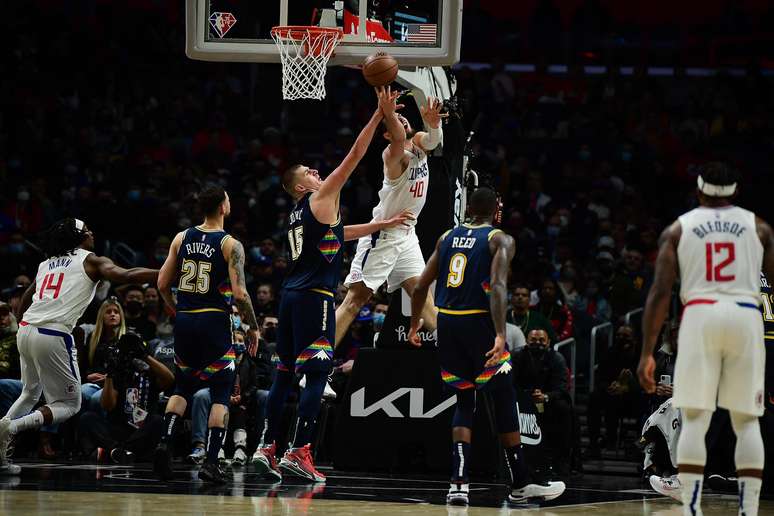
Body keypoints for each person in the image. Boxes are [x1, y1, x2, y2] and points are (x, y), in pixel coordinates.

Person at [252, 88, 412, 483]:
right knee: (319, 373)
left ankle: (266, 447)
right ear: (301, 187)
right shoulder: (321, 196)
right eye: (309, 172)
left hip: (290, 298)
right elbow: (354, 158)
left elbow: (338, 235)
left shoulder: (299, 213)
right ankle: (299, 451)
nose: (317, 173)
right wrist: (379, 115)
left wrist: (383, 225)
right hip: (314, 299)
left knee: (284, 374)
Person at [408, 187, 565, 506]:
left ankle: (458, 484)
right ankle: (521, 483)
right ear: (496, 209)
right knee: (504, 397)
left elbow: (421, 285)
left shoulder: (446, 237)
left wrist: (415, 322)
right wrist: (499, 333)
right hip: (479, 323)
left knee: (464, 402)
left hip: (447, 323)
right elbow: (497, 286)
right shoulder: (500, 239)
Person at [637, 163, 774, 516]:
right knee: (747, 420)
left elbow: (660, 292)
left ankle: (686, 484)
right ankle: (751, 499)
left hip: (704, 317)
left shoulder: (680, 229)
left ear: (699, 191)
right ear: (735, 192)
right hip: (748, 323)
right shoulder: (759, 229)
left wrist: (647, 353)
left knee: (697, 416)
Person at [0, 217, 158, 475]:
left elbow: (26, 299)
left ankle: (3, 443)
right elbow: (126, 274)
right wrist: (166, 273)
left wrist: (32, 322)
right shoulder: (90, 259)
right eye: (87, 230)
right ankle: (11, 427)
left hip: (26, 329)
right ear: (78, 237)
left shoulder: (46, 264)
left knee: (29, 393)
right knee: (69, 405)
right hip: (53, 332)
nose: (92, 232)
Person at [153, 185, 260, 484]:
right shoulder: (230, 244)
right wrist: (252, 326)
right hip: (214, 320)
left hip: (186, 318)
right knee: (221, 393)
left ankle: (164, 443)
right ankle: (212, 462)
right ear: (224, 207)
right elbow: (239, 293)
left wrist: (177, 311)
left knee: (182, 387)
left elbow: (162, 284)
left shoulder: (181, 237)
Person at [337, 89, 447, 347]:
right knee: (354, 302)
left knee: (425, 302)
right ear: (387, 134)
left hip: (407, 235)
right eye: (396, 122)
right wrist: (386, 111)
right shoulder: (392, 155)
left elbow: (433, 142)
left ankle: (464, 360)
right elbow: (398, 137)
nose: (403, 121)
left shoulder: (419, 143)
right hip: (384, 235)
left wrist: (434, 125)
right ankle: (315, 369)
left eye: (404, 118)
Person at [79, 333, 174, 463]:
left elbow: (169, 379)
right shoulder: (118, 373)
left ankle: (116, 452)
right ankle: (121, 451)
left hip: (141, 430)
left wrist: (145, 356)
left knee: (158, 421)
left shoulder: (151, 374)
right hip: (117, 428)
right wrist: (110, 374)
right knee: (87, 418)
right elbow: (107, 405)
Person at [511, 329, 573, 473]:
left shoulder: (557, 358)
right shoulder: (517, 355)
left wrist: (545, 396)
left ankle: (560, 462)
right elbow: (511, 382)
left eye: (541, 340)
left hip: (549, 400)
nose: (537, 343)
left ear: (548, 342)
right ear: (526, 341)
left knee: (563, 408)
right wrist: (526, 395)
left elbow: (562, 388)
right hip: (522, 400)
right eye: (533, 340)